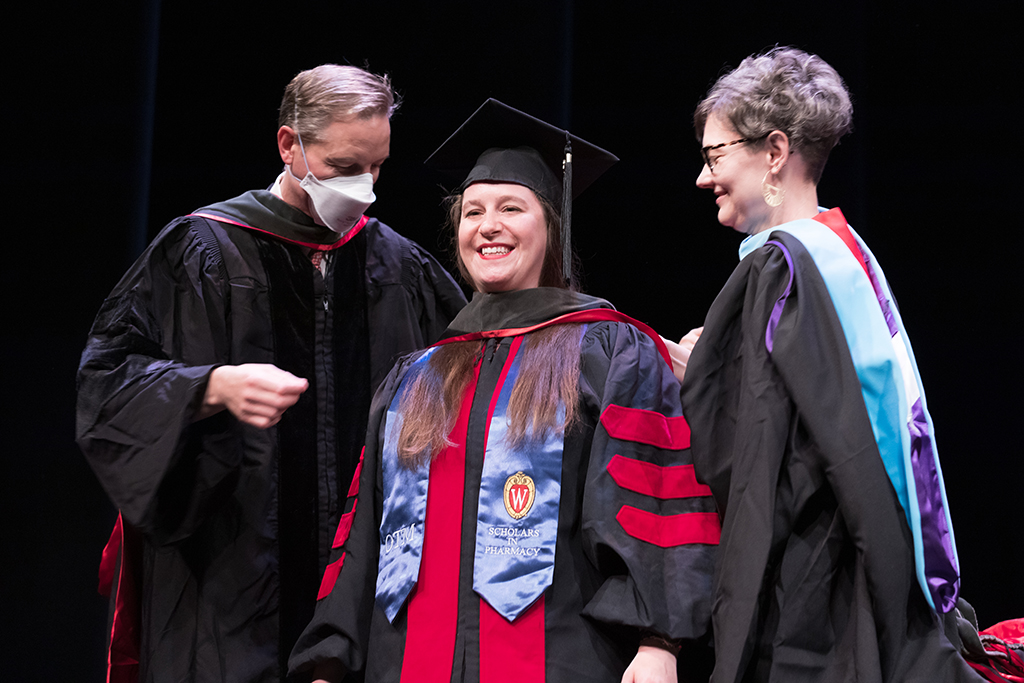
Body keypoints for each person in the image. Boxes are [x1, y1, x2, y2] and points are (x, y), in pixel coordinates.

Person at [288, 99, 719, 683]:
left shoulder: (605, 351)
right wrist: (328, 659)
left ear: (551, 226)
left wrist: (659, 640)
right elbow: (364, 534)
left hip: (561, 658)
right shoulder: (416, 376)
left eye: (511, 207)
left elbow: (655, 502)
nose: (488, 226)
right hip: (407, 663)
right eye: (472, 212)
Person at [76, 64, 466, 683]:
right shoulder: (201, 250)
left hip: (366, 586)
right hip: (231, 584)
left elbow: (475, 373)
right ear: (291, 146)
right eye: (344, 168)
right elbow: (107, 381)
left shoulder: (397, 263)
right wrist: (207, 387)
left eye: (378, 167)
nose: (364, 188)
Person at [679, 47, 982, 681]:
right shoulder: (845, 252)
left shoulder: (784, 268)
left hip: (816, 600)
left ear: (774, 152)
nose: (704, 178)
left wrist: (698, 381)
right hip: (866, 575)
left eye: (715, 155)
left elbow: (757, 458)